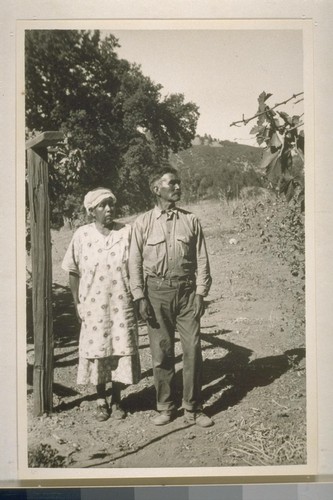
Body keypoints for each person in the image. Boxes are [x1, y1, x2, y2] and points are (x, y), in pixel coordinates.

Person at [129, 166, 213, 427]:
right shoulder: (142, 223)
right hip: (156, 294)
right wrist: (139, 296)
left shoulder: (191, 220)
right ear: (157, 189)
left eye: (179, 183)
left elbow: (202, 258)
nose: (178, 187)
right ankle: (165, 406)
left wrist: (201, 293)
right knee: (161, 352)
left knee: (193, 349)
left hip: (188, 293)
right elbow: (134, 262)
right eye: (171, 183)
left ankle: (193, 408)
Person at [62, 187, 140, 422]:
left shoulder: (126, 232)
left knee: (119, 350)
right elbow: (73, 271)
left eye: (110, 204)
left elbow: (136, 267)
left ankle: (117, 399)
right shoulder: (82, 235)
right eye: (102, 206)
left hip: (121, 302)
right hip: (93, 306)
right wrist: (77, 303)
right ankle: (100, 400)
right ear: (91, 211)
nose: (108, 209)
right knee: (98, 351)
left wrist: (138, 298)